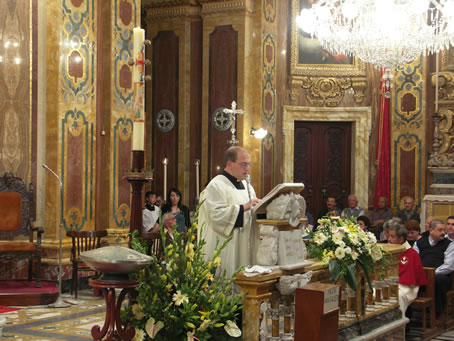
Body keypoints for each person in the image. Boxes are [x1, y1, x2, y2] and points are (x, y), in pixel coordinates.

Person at [198, 146, 260, 279]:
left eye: (249, 164)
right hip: (226, 247)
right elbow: (216, 215)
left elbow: (252, 213)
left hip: (244, 246)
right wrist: (243, 207)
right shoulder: (216, 186)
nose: (247, 168)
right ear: (230, 164)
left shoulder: (248, 187)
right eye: (243, 164)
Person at [414, 219, 454, 317]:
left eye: (443, 230)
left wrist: (432, 273)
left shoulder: (449, 244)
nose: (443, 233)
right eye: (440, 230)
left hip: (439, 275)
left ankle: (438, 313)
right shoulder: (419, 243)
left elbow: (449, 266)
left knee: (439, 280)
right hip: (421, 274)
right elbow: (414, 260)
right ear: (431, 230)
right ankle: (412, 311)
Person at [387, 221, 426, 316]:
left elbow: (409, 277)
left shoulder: (411, 253)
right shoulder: (387, 250)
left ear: (401, 239)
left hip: (406, 287)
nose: (389, 239)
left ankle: (397, 325)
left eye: (392, 236)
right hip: (388, 283)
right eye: (389, 236)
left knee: (398, 296)